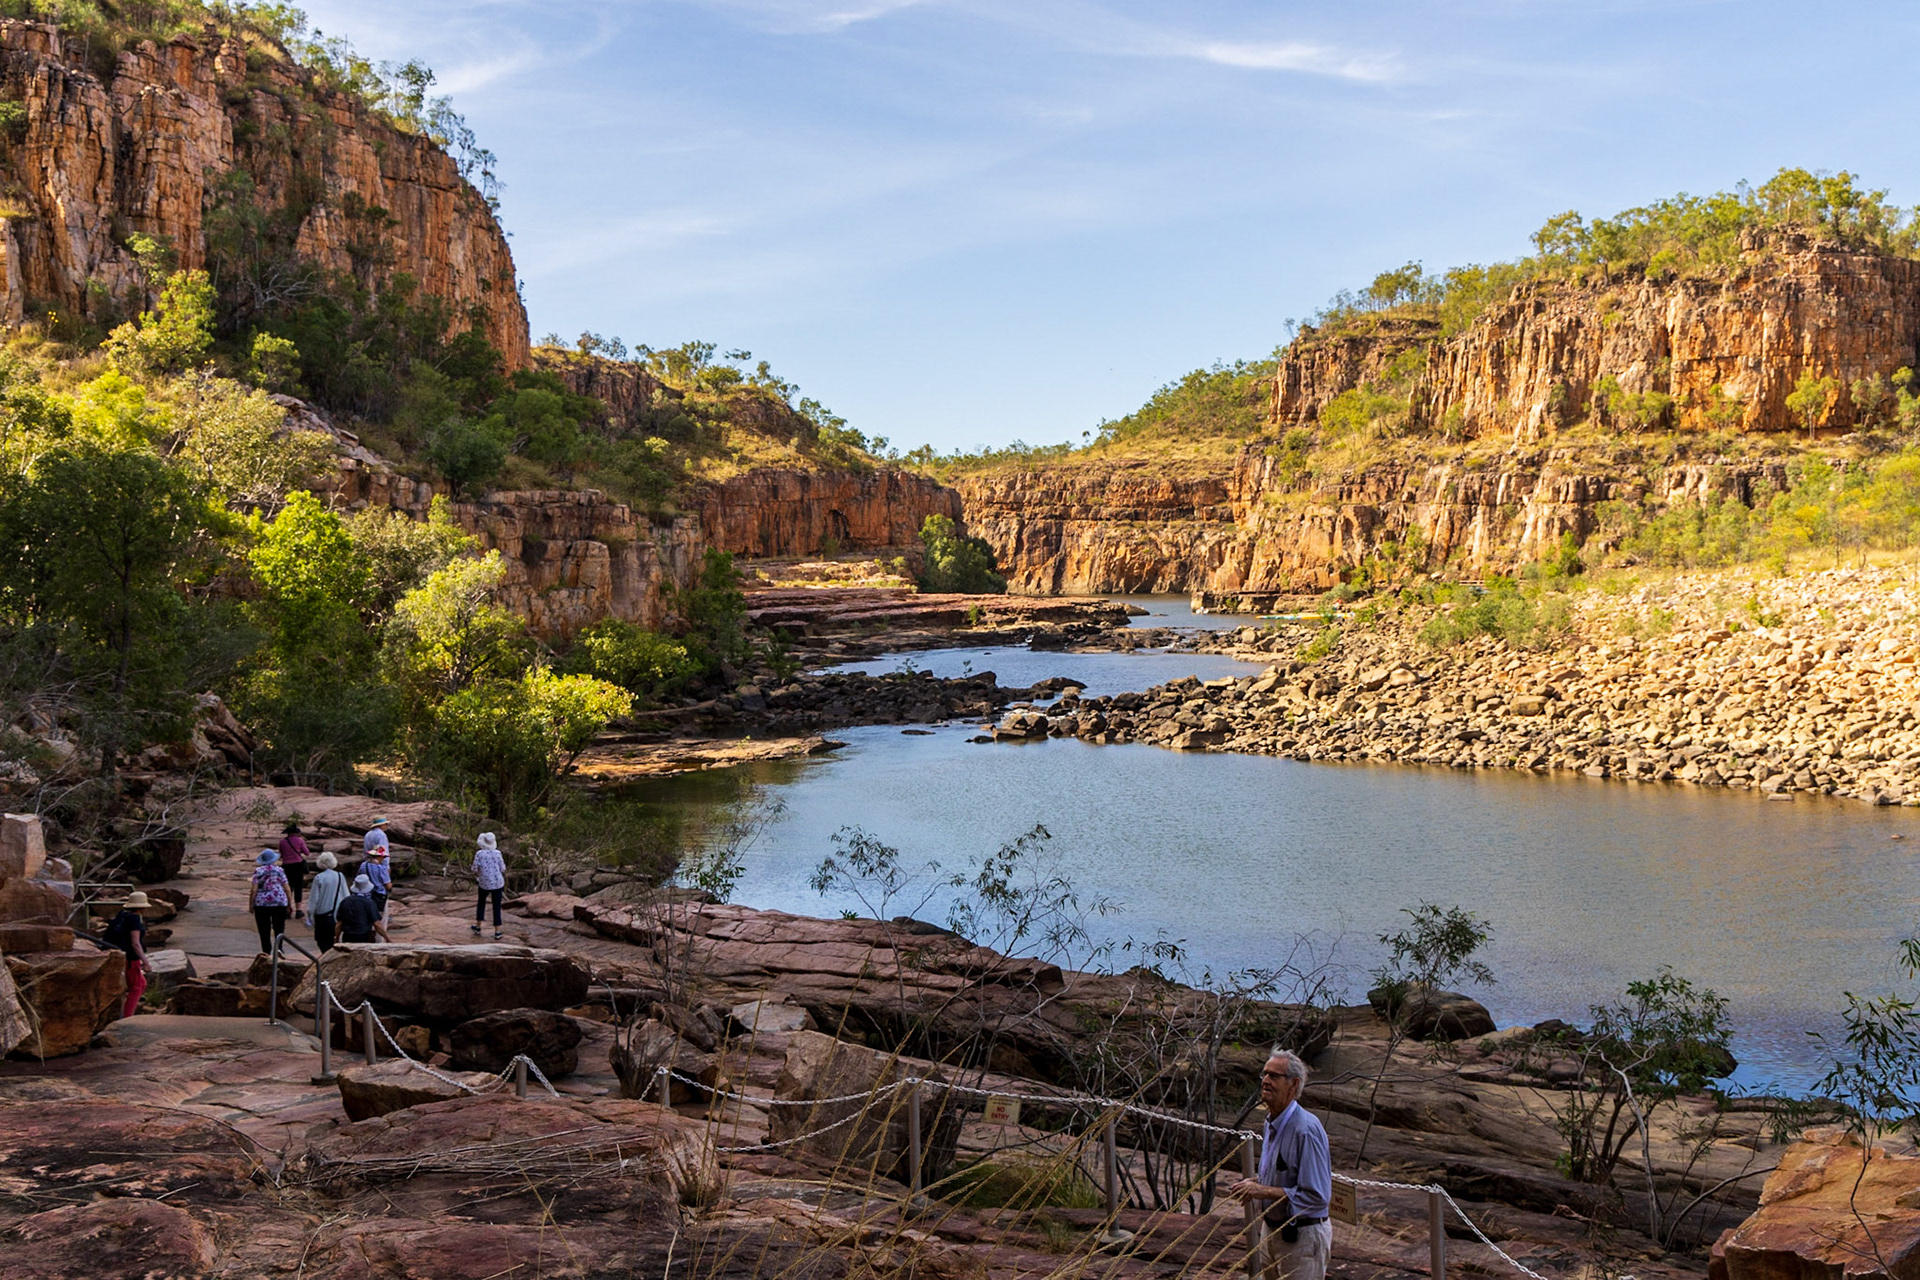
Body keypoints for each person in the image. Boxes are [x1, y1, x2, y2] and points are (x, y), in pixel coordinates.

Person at [1229, 1049, 1332, 1280]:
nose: (1265, 1081)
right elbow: (1282, 1174)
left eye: (1274, 1076)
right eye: (1264, 1075)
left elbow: (1317, 1196)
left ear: (1293, 1085)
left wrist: (1262, 1190)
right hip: (1272, 1231)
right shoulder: (1271, 1122)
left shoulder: (1306, 1130)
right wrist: (1253, 1183)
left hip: (1303, 1237)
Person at [102, 891, 152, 1018]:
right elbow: (135, 943)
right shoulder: (134, 920)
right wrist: (145, 962)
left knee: (141, 984)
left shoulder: (122, 916)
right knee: (136, 987)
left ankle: (126, 1013)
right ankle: (127, 1017)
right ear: (142, 907)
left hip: (118, 953)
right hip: (129, 957)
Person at [249, 849, 293, 955]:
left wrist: (251, 904)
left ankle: (266, 951)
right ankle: (279, 948)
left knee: (264, 928)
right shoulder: (280, 870)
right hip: (279, 902)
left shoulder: (258, 871)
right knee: (279, 927)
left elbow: (253, 889)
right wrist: (289, 904)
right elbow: (287, 888)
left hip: (262, 904)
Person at [307, 851, 347, 952]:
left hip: (322, 915)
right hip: (336, 914)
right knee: (333, 940)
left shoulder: (319, 878)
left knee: (322, 941)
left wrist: (310, 915)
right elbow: (345, 894)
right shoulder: (340, 876)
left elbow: (314, 899)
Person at [471, 831, 506, 940]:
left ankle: (478, 926)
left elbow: (475, 868)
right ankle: (497, 931)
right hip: (497, 883)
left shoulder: (479, 854)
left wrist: (480, 873)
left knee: (481, 903)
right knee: (496, 906)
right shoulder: (498, 853)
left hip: (484, 883)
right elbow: (503, 868)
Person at [337, 874, 389, 944]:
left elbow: (339, 923)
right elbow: (377, 923)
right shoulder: (368, 903)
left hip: (347, 936)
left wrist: (336, 937)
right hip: (363, 935)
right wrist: (387, 938)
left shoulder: (345, 901)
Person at [277, 822, 310, 913]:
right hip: (298, 866)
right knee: (298, 887)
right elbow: (307, 852)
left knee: (288, 887)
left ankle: (288, 908)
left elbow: (281, 854)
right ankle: (298, 910)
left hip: (287, 866)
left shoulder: (282, 841)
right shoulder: (300, 840)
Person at [363, 843, 392, 920]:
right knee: (379, 917)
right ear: (380, 856)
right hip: (379, 895)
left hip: (366, 893)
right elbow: (388, 885)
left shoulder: (363, 865)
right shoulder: (381, 868)